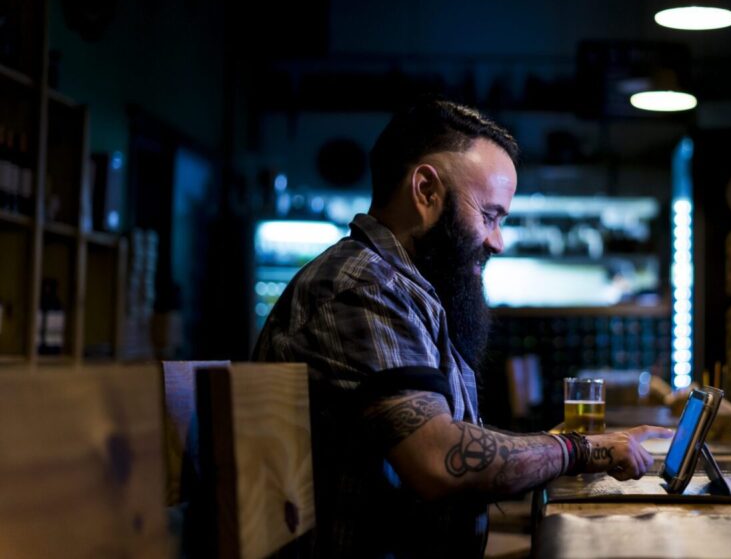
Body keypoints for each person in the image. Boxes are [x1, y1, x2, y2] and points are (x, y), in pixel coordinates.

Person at [252, 99, 671, 558]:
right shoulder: (360, 286)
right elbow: (438, 460)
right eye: (489, 215)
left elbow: (447, 439)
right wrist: (579, 449)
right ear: (426, 191)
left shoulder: (409, 289)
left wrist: (553, 446)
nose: (498, 240)